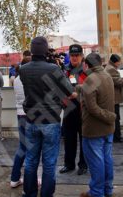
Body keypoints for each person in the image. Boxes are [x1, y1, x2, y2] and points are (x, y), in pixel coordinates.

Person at [19, 36, 77, 197]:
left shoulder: (23, 70)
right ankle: (46, 194)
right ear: (46, 51)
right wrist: (57, 67)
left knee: (31, 160)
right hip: (51, 120)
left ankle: (29, 193)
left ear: (31, 50)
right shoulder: (53, 69)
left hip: (31, 119)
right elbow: (69, 91)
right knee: (49, 163)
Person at [80, 53, 116, 197]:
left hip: (94, 130)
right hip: (108, 129)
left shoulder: (90, 79)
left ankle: (96, 193)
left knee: (96, 163)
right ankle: (108, 190)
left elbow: (92, 108)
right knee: (107, 159)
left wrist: (109, 117)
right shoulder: (107, 76)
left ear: (86, 65)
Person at [60, 44, 88, 175]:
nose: (74, 58)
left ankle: (83, 165)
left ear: (82, 56)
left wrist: (80, 94)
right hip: (69, 110)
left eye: (77, 55)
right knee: (69, 139)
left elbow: (92, 89)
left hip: (84, 110)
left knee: (84, 140)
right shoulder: (65, 70)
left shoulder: (87, 70)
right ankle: (69, 164)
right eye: (72, 55)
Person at [10, 59, 30, 188]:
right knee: (33, 149)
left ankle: (14, 178)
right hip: (31, 115)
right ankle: (30, 180)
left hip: (20, 114)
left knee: (22, 148)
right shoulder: (29, 79)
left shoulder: (16, 80)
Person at [105, 54, 123, 143]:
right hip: (114, 98)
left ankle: (115, 136)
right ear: (115, 62)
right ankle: (116, 137)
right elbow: (116, 81)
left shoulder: (109, 67)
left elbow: (117, 78)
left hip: (112, 98)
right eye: (119, 62)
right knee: (116, 118)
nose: (120, 63)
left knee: (115, 117)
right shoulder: (111, 69)